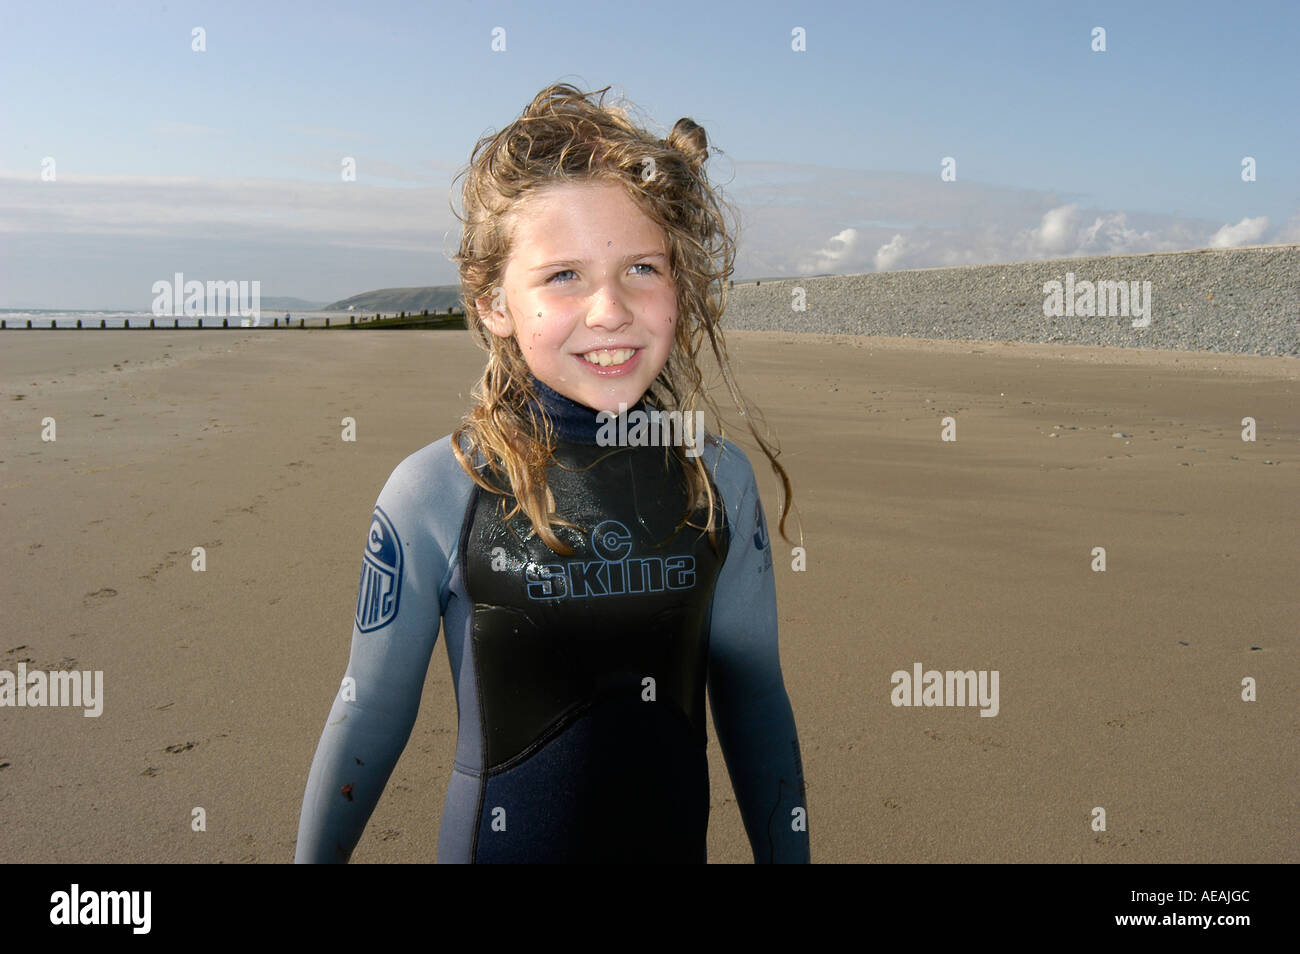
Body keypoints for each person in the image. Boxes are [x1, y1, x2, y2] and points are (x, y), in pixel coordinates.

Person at [295, 83, 808, 863]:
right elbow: (368, 716)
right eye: (563, 276)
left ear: (682, 281)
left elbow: (757, 705)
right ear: (493, 301)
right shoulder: (439, 492)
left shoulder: (716, 480)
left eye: (642, 267)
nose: (609, 310)